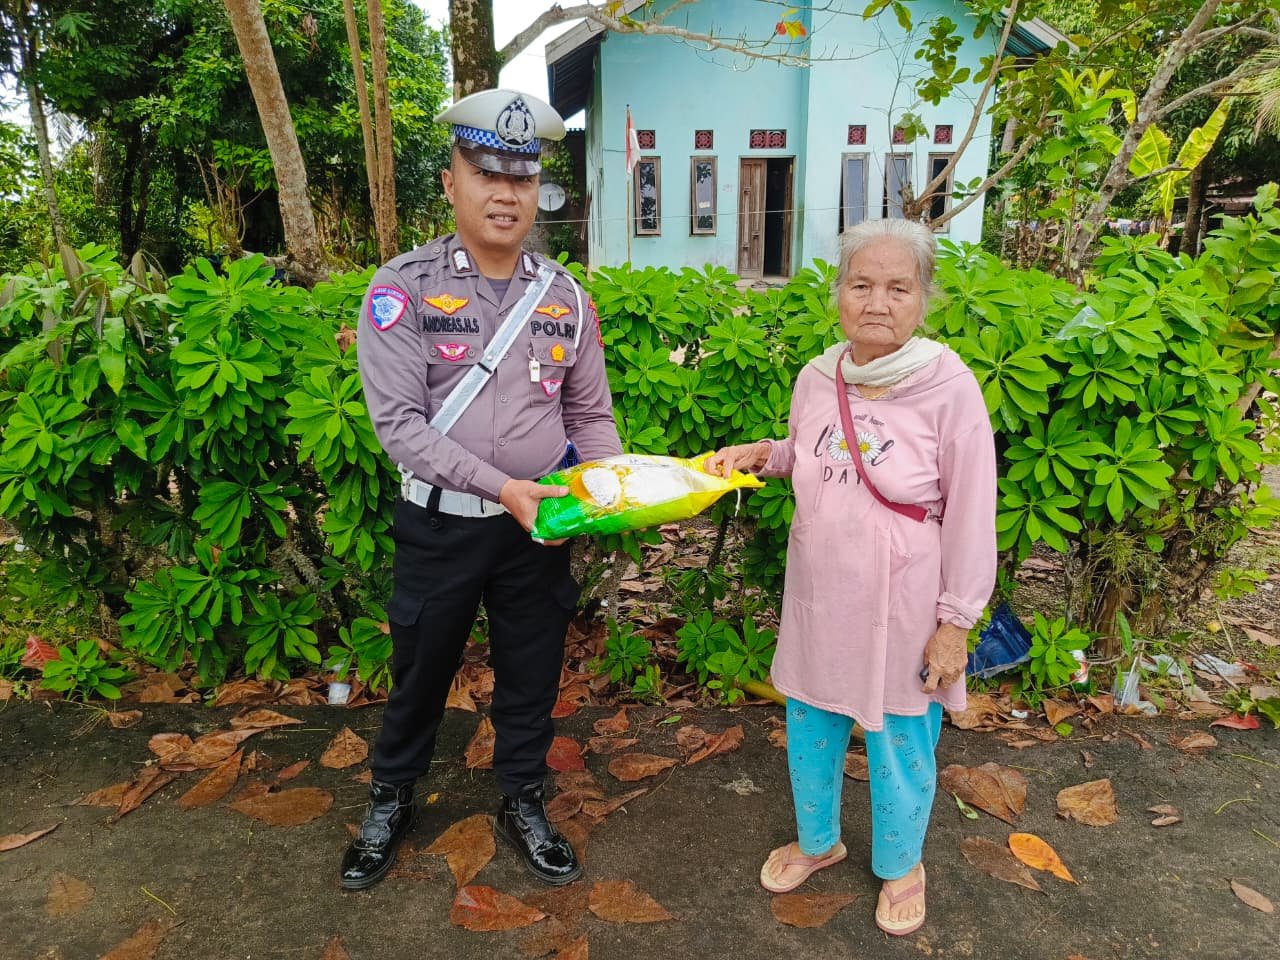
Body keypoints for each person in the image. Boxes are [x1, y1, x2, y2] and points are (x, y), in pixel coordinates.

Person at [343, 89, 621, 890]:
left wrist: (602, 487)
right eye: (486, 173)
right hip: (444, 525)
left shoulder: (565, 296)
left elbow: (590, 413)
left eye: (523, 178)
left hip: (540, 521)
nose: (506, 193)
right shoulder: (402, 288)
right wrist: (504, 487)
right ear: (450, 183)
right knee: (422, 668)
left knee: (532, 671)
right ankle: (393, 797)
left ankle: (523, 797)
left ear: (539, 191)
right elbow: (399, 426)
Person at [706, 218, 996, 936]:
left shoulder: (949, 387)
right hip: (820, 597)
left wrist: (955, 623)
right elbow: (813, 453)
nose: (877, 301)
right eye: (860, 283)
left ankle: (902, 865)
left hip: (903, 607)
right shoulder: (818, 376)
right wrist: (765, 453)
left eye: (898, 287)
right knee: (810, 721)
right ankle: (819, 841)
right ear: (838, 292)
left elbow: (970, 512)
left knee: (900, 737)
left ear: (923, 299)